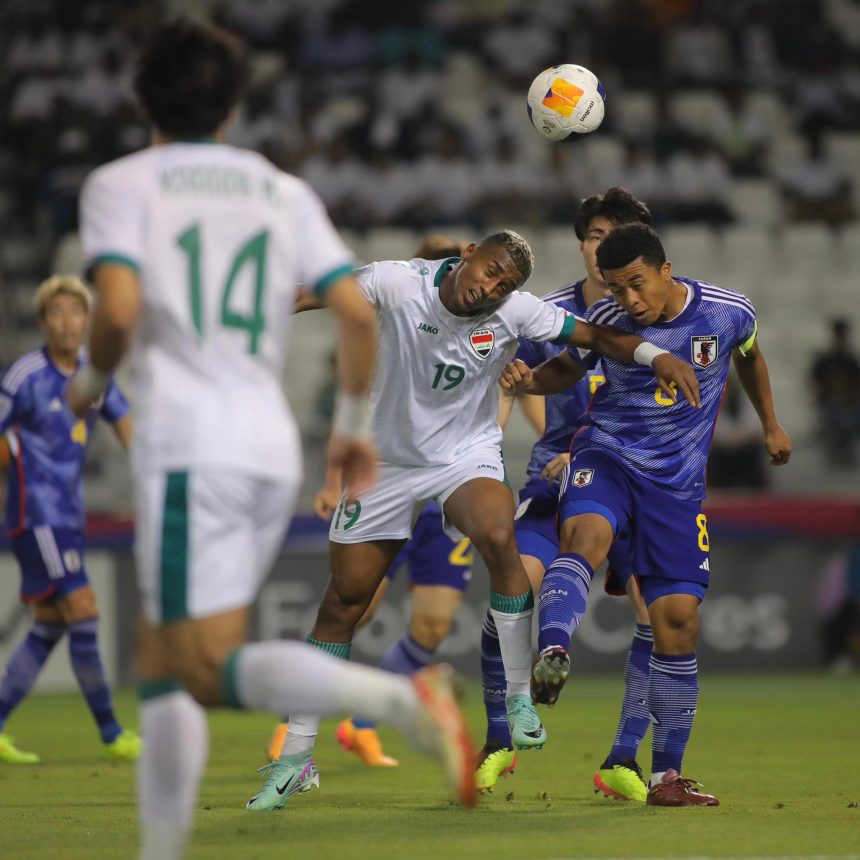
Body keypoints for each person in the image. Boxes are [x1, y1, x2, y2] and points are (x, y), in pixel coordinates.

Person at [66, 20, 476, 860]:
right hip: (262, 443)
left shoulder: (120, 183)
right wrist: (354, 434)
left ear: (141, 97)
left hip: (188, 442)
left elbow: (111, 310)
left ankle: (404, 699)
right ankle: (161, 846)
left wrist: (88, 387)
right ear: (233, 103)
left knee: (201, 665)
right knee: (165, 655)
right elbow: (357, 310)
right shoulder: (278, 189)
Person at [250, 224, 702, 811]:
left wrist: (655, 353)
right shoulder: (396, 282)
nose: (489, 287)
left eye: (503, 284)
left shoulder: (517, 313)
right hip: (385, 464)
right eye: (488, 271)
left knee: (496, 531)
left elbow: (595, 336)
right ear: (467, 256)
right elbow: (310, 294)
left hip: (465, 455)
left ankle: (518, 698)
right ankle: (296, 759)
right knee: (343, 604)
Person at [505, 222, 792, 806]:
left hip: (677, 488)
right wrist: (531, 380)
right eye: (615, 289)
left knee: (678, 621)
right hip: (604, 455)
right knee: (584, 537)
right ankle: (553, 649)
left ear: (665, 269)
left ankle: (666, 777)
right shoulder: (610, 324)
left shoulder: (727, 312)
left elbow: (751, 356)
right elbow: (568, 368)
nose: (629, 300)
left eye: (636, 284)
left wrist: (770, 422)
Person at [269, 236, 478, 768]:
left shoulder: (482, 335)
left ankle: (361, 726)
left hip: (446, 498)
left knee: (432, 626)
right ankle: (295, 723)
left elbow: (495, 407)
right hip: (386, 488)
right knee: (353, 611)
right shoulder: (394, 334)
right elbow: (356, 410)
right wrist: (332, 481)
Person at [478, 187, 654, 800]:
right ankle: (500, 737)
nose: (607, 248)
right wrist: (485, 451)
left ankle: (624, 758)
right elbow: (505, 382)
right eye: (598, 237)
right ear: (582, 245)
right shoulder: (545, 315)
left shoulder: (661, 318)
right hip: (556, 477)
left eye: (621, 236)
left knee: (657, 616)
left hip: (642, 479)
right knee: (511, 592)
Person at [0, 275, 139, 764]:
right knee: (84, 610)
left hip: (68, 517)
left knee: (51, 625)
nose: (67, 322)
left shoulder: (93, 375)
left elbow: (125, 422)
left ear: (87, 321)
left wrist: (149, 472)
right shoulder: (23, 377)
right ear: (42, 322)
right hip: (36, 514)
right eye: (56, 313)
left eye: (75, 313)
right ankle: (111, 732)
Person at [810, 318, 860, 468]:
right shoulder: (825, 360)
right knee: (833, 421)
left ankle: (845, 454)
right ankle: (836, 455)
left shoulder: (851, 361)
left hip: (849, 405)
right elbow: (817, 383)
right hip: (829, 404)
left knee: (848, 421)